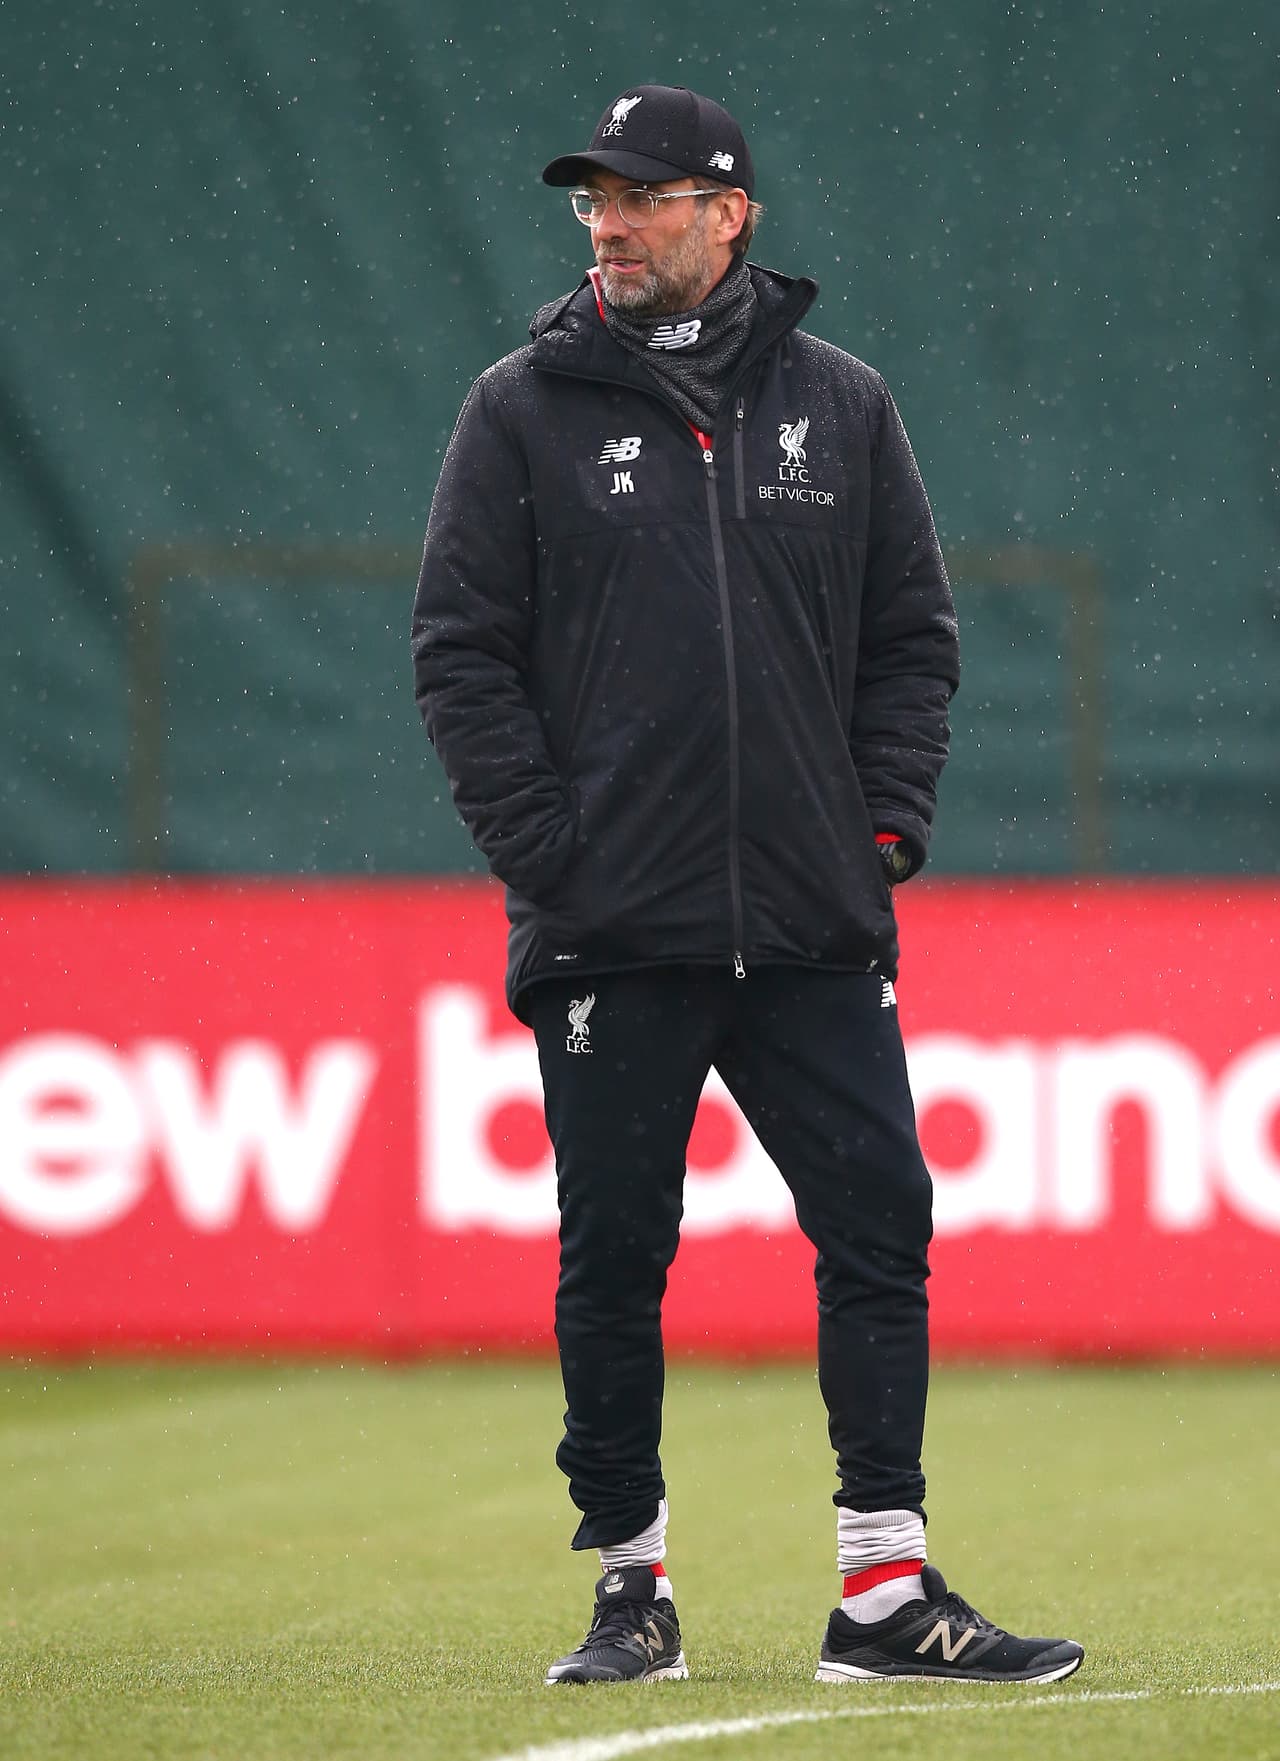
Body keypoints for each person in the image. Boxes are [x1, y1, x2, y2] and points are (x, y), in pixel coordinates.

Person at [411, 83, 1083, 1688]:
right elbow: (459, 653)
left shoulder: (841, 405)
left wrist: (879, 834)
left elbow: (913, 638)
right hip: (609, 930)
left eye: (642, 197)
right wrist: (550, 857)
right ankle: (631, 1589)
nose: (610, 224)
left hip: (811, 921)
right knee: (614, 1248)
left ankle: (884, 1591)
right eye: (594, 201)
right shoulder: (521, 406)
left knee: (879, 1220)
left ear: (731, 214)